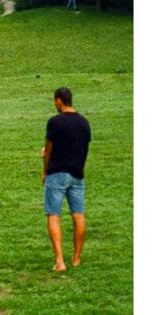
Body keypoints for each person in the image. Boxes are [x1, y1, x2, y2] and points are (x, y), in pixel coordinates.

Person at [40, 86, 91, 271]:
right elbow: (84, 148)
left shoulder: (55, 122)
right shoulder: (84, 122)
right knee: (78, 215)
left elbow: (48, 149)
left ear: (59, 100)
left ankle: (60, 261)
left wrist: (45, 169)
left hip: (57, 173)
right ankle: (76, 258)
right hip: (78, 174)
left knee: (53, 215)